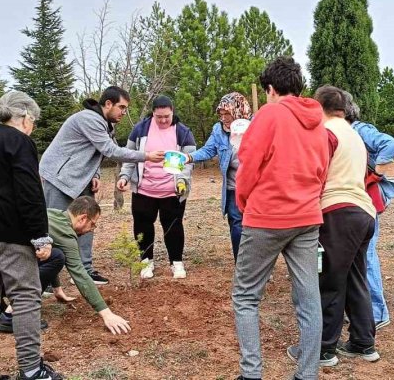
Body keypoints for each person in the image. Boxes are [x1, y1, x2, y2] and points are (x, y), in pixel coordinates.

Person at [232, 57, 331, 380]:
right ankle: (307, 374)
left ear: (271, 89)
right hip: (306, 217)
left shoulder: (270, 112)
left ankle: (251, 374)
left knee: (246, 296)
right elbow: (322, 169)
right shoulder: (318, 119)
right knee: (308, 299)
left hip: (267, 216)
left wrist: (244, 202)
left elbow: (248, 163)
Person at [0, 91, 63, 380]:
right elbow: (29, 190)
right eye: (33, 121)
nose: (32, 127)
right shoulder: (19, 141)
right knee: (27, 297)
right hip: (7, 230)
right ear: (25, 117)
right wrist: (41, 236)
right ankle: (31, 370)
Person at [287, 86, 378, 368]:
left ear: (319, 106)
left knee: (328, 280)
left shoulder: (326, 133)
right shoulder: (354, 134)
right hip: (364, 212)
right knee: (355, 276)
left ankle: (324, 348)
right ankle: (363, 342)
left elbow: (316, 172)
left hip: (338, 212)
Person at [39, 86, 166, 285]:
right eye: (121, 107)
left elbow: (94, 150)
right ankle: (44, 278)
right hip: (59, 177)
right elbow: (110, 150)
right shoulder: (88, 119)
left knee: (87, 221)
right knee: (52, 227)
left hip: (81, 177)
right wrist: (146, 156)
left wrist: (96, 173)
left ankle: (85, 271)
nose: (124, 112)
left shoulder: (104, 123)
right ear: (108, 104)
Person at [0, 196, 132, 335]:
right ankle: (13, 315)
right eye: (92, 224)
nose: (92, 229)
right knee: (57, 256)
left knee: (54, 254)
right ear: (82, 218)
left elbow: (50, 256)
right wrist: (107, 314)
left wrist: (57, 288)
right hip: (4, 273)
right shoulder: (66, 234)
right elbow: (80, 273)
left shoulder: (52, 214)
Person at [116, 95, 197, 279]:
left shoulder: (183, 132)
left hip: (172, 191)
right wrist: (124, 176)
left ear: (172, 112)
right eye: (159, 116)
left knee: (173, 227)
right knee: (143, 226)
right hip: (144, 191)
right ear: (153, 113)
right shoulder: (140, 129)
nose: (163, 120)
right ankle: (146, 262)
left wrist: (182, 181)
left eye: (166, 116)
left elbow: (189, 161)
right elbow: (130, 157)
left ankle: (176, 263)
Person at [344, 91, 394, 333]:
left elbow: (390, 144)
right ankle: (362, 309)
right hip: (356, 203)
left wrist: (376, 173)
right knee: (356, 257)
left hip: (366, 203)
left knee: (366, 256)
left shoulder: (359, 129)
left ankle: (377, 313)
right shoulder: (344, 133)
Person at [186, 92, 253, 260]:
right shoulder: (218, 130)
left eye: (227, 114)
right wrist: (190, 157)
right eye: (221, 114)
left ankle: (259, 267)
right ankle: (242, 265)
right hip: (233, 187)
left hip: (254, 186)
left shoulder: (255, 127)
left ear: (238, 112)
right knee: (236, 225)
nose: (224, 118)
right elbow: (209, 149)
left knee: (256, 227)